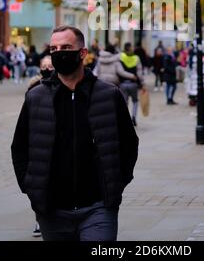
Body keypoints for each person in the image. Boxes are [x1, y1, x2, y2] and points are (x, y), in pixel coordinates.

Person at [11, 26, 138, 241]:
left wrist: (116, 184)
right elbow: (20, 148)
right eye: (54, 48)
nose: (59, 52)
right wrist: (32, 189)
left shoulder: (109, 95)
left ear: (82, 53)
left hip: (99, 207)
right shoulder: (36, 97)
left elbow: (128, 143)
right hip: (52, 209)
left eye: (66, 47)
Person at [27, 55, 55, 237]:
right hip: (39, 143)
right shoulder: (34, 88)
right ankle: (40, 220)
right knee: (41, 187)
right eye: (44, 66)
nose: (47, 69)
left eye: (50, 66)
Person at [119, 42, 144, 126]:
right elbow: (139, 72)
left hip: (123, 83)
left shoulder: (121, 57)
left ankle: (125, 119)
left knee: (124, 103)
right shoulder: (136, 58)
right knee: (135, 101)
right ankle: (133, 117)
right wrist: (142, 83)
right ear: (130, 48)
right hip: (133, 83)